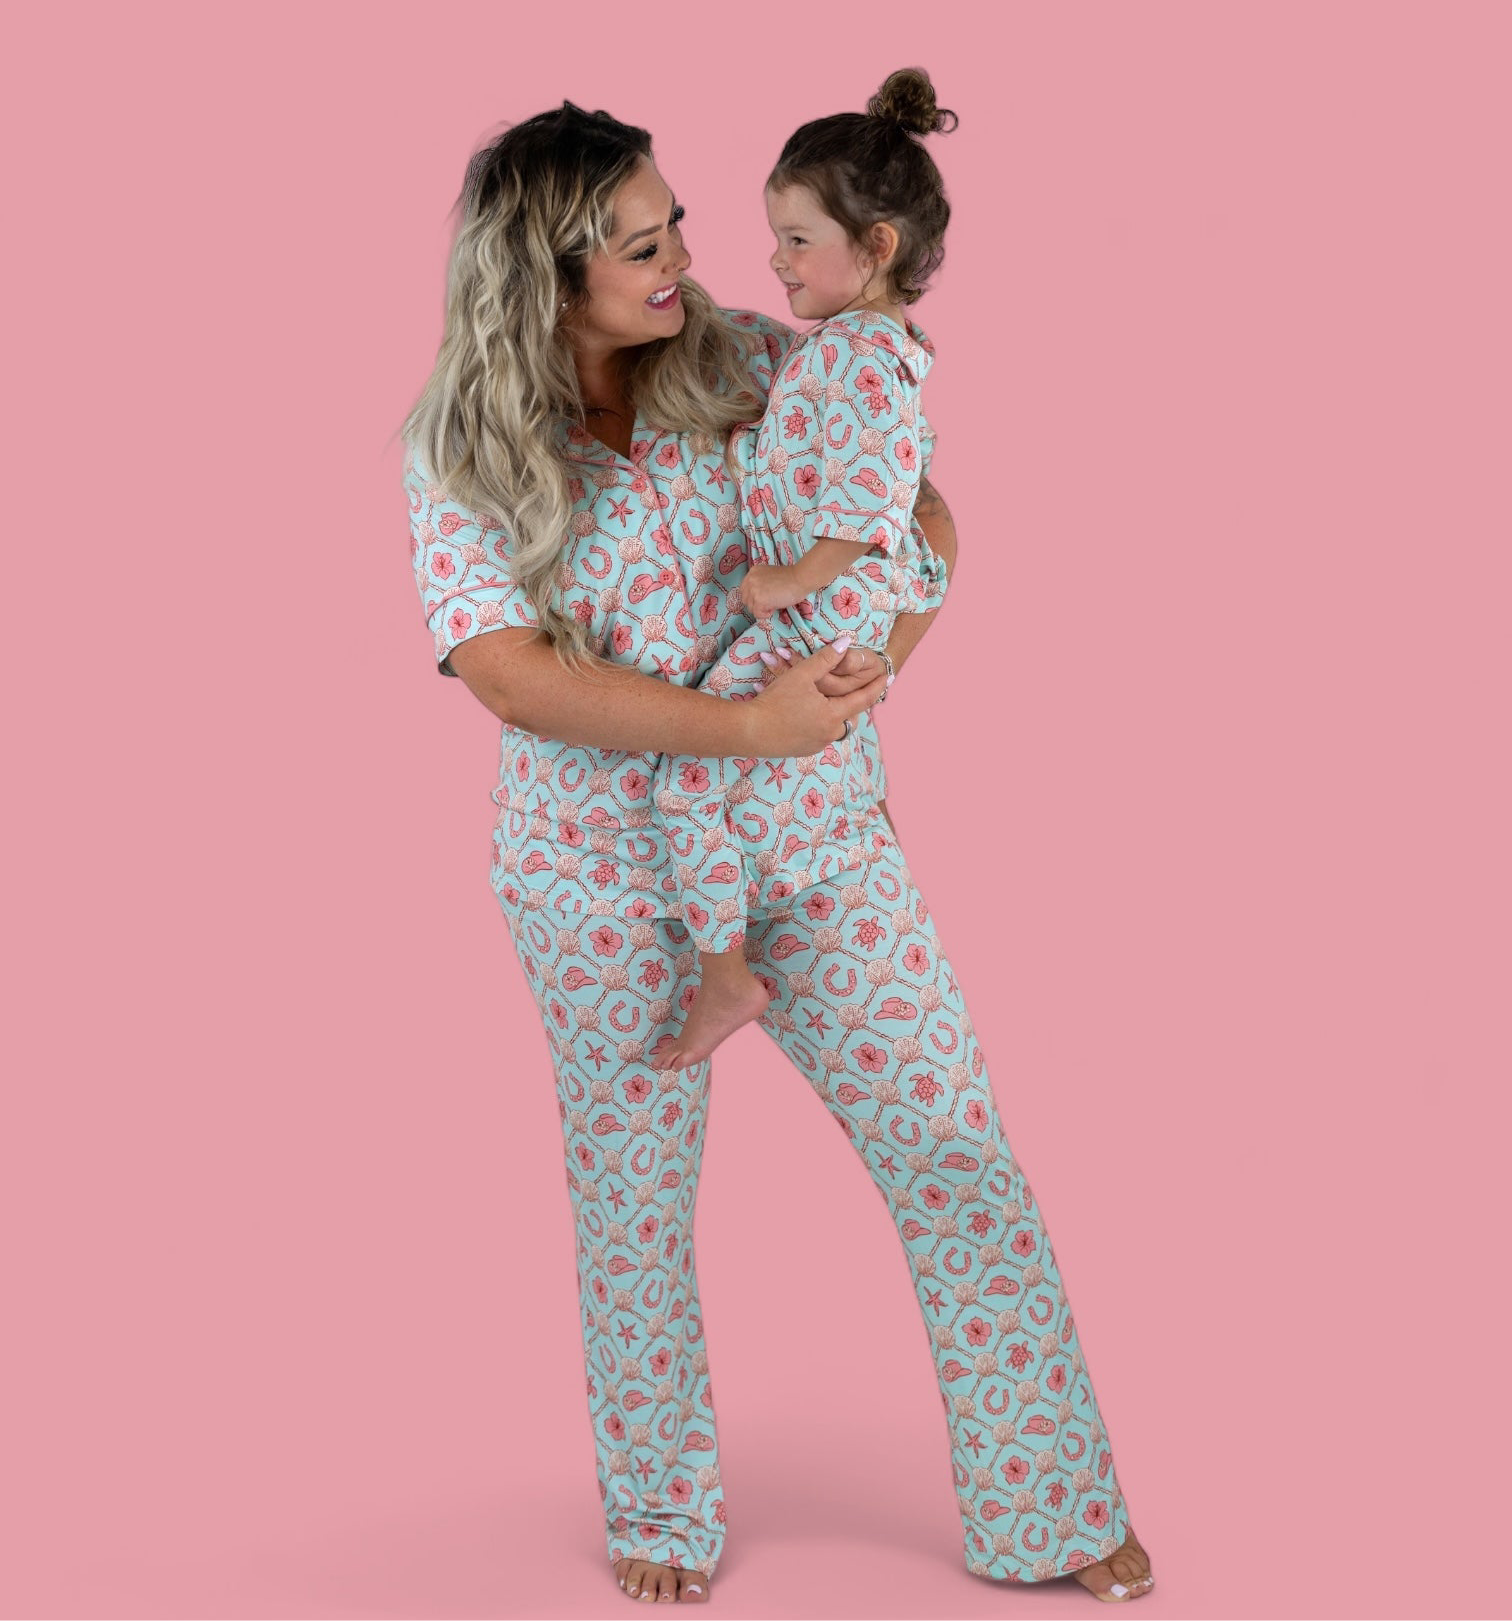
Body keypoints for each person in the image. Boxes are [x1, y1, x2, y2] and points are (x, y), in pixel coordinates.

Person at [402, 94, 1154, 1605]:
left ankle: (1051, 1503)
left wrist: (871, 668)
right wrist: (743, 725)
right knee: (632, 1205)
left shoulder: (750, 357)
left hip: (815, 850)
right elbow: (504, 672)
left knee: (951, 1144)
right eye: (641, 246)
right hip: (598, 877)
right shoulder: (463, 448)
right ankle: (663, 1505)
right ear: (549, 274)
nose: (686, 257)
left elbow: (913, 509)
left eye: (677, 221)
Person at [656, 72, 955, 1074]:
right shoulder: (849, 351)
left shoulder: (859, 356)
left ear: (876, 247)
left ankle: (725, 975)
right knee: (799, 767)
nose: (775, 259)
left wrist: (789, 581)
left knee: (686, 778)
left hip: (816, 612)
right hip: (842, 609)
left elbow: (870, 508)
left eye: (795, 239)